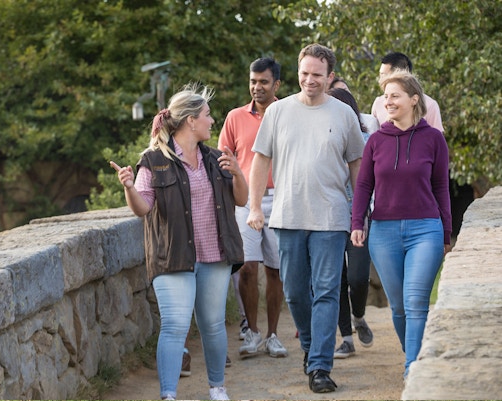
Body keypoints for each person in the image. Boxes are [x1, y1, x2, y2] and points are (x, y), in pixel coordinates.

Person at [110, 83, 248, 401]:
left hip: (215, 255)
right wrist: (129, 187)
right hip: (173, 257)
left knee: (213, 324)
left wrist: (238, 173)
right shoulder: (153, 161)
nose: (212, 121)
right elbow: (142, 208)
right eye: (207, 115)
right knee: (174, 324)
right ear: (190, 121)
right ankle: (169, 395)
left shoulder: (216, 158)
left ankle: (217, 388)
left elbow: (240, 200)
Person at [247, 44, 365, 393]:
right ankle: (312, 347)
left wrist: (358, 214)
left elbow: (357, 165)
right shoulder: (278, 112)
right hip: (288, 215)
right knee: (297, 293)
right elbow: (260, 161)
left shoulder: (343, 115)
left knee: (327, 291)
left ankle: (319, 366)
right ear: (297, 73)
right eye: (304, 73)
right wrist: (255, 207)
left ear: (330, 77)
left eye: (317, 74)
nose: (310, 80)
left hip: (331, 218)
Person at [351, 71, 452, 378]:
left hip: (425, 229)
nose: (388, 101)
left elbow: (441, 189)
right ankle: (415, 355)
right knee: (398, 306)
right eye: (386, 96)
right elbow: (364, 185)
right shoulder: (376, 141)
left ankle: (412, 369)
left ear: (413, 100)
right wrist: (358, 222)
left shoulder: (433, 139)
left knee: (416, 301)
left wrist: (446, 232)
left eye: (395, 95)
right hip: (384, 232)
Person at [218, 57, 288, 359]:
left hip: (283, 199)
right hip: (245, 202)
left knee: (276, 271)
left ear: (277, 84)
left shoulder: (289, 113)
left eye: (263, 82)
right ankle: (253, 333)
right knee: (247, 268)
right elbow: (224, 159)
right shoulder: (234, 117)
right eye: (253, 81)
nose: (257, 87)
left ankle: (273, 335)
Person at [327, 87, 374, 359]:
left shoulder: (368, 140)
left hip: (360, 217)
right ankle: (346, 338)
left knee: (357, 277)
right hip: (329, 217)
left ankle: (358, 316)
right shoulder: (321, 140)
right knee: (335, 279)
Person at [371, 52, 444, 132]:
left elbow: (437, 140)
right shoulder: (379, 103)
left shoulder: (430, 105)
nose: (380, 80)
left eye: (383, 75)